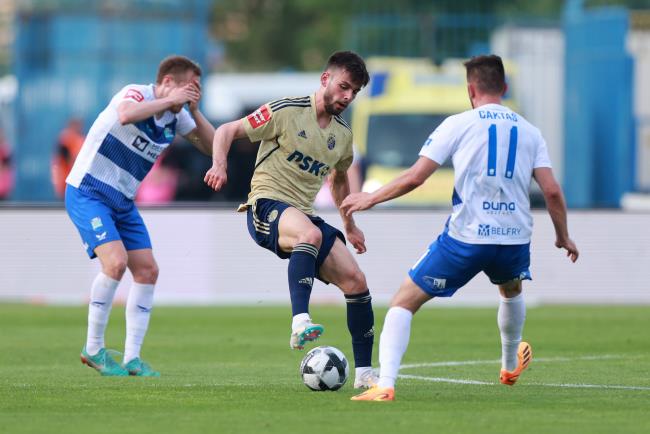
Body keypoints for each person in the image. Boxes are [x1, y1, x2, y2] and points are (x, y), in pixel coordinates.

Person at [342, 54, 579, 401]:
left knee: (403, 302)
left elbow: (416, 177)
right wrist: (563, 236)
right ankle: (508, 364)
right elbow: (552, 191)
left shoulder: (458, 124)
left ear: (470, 90)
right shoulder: (530, 132)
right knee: (511, 290)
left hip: (466, 237)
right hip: (514, 238)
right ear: (504, 87)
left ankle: (385, 384)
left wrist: (371, 197)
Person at [204, 51, 377, 389]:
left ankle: (365, 374)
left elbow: (339, 180)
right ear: (325, 79)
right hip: (266, 205)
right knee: (309, 235)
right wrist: (219, 165)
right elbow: (226, 130)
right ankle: (300, 322)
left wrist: (350, 225)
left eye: (354, 92)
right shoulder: (286, 111)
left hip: (303, 215)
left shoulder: (342, 135)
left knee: (356, 281)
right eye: (343, 86)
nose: (347, 96)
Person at [65, 55, 214, 376]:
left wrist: (195, 111)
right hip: (89, 191)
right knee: (115, 263)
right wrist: (172, 100)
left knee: (147, 271)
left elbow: (213, 146)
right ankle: (93, 348)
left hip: (122, 201)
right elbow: (125, 114)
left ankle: (132, 358)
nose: (193, 93)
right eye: (190, 87)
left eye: (197, 89)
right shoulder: (136, 93)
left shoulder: (177, 115)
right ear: (168, 82)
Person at [51, 118, 85, 198]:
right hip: (67, 180)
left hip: (75, 182)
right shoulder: (66, 137)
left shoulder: (80, 139)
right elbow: (64, 154)